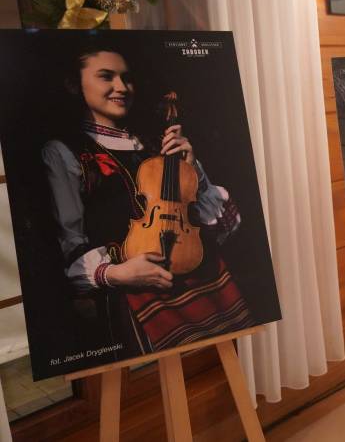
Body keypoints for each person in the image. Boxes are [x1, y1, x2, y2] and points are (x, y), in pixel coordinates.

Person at [42, 42, 254, 359]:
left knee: (228, 357)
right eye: (106, 76)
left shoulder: (158, 140)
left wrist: (193, 169)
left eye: (126, 78)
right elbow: (70, 242)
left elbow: (223, 224)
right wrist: (116, 274)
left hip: (204, 275)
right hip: (140, 293)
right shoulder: (64, 152)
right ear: (75, 84)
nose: (121, 87)